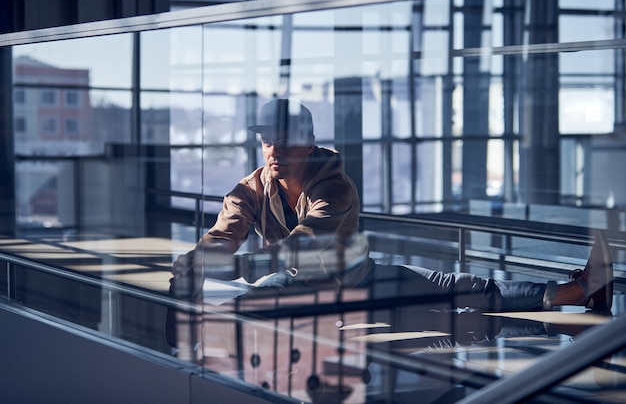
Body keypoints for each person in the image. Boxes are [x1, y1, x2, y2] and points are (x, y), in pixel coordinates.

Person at [170, 98, 614, 313]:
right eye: (267, 140)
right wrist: (195, 263)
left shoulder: (335, 188)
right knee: (252, 307)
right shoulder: (250, 187)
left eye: (283, 141)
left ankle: (579, 291)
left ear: (307, 144)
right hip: (300, 287)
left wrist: (232, 269)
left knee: (466, 288)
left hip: (357, 279)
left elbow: (302, 247)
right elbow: (223, 235)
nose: (272, 150)